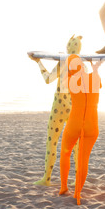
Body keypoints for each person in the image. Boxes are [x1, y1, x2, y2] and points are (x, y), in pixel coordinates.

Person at [28, 35, 82, 186]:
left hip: (59, 106)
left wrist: (39, 63)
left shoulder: (63, 63)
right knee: (76, 144)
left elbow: (48, 79)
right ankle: (77, 178)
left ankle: (47, 178)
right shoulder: (81, 65)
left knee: (52, 142)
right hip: (74, 107)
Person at [59, 55, 102, 205]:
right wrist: (95, 69)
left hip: (74, 124)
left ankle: (64, 187)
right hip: (91, 125)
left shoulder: (70, 80)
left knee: (65, 152)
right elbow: (94, 81)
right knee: (83, 159)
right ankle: (77, 192)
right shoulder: (95, 78)